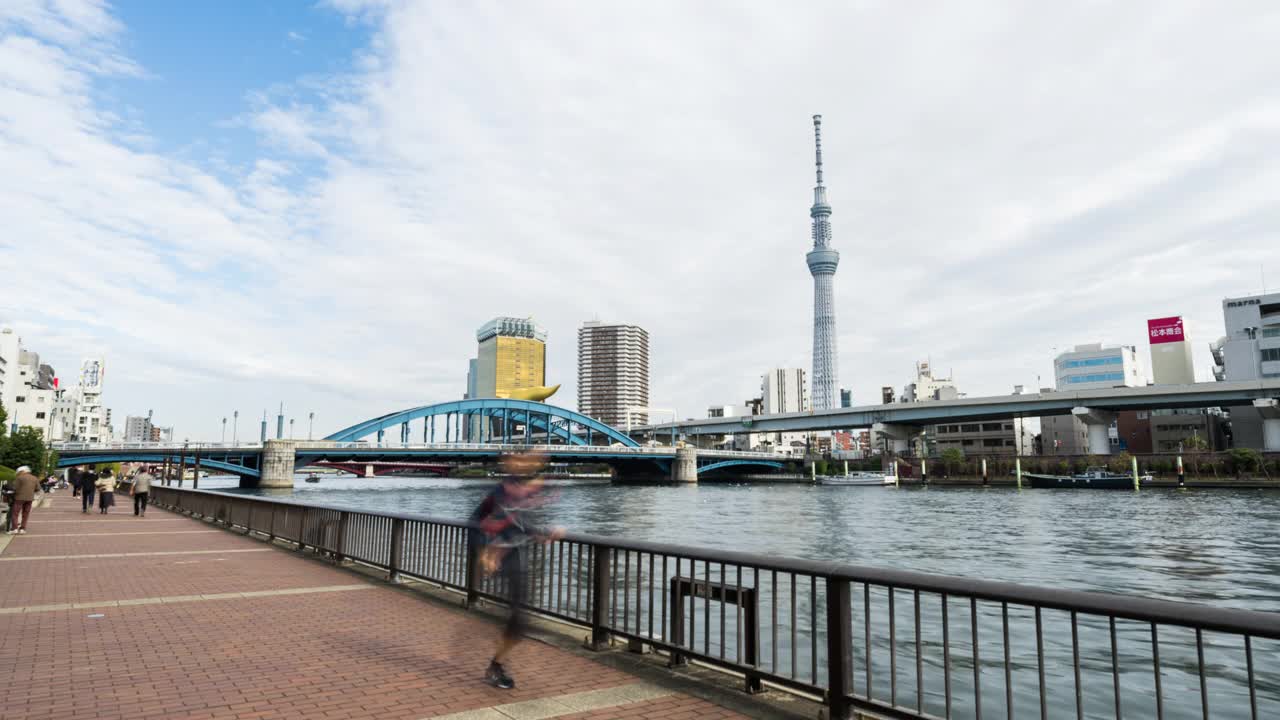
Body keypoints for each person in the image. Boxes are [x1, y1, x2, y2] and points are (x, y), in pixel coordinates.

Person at [469, 450, 563, 690]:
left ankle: (498, 659)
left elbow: (518, 521)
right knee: (519, 617)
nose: (529, 464)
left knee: (520, 620)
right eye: (522, 460)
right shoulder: (502, 491)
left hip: (515, 554)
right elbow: (477, 520)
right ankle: (497, 663)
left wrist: (543, 533)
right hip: (501, 554)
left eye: (534, 461)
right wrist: (483, 554)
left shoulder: (520, 488)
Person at [8, 466, 41, 534]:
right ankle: (22, 529)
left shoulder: (20, 477)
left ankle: (15, 529)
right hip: (30, 498)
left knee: (15, 513)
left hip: (19, 498)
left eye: (19, 472)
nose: (18, 473)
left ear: (22, 471)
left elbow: (14, 487)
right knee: (25, 513)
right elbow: (38, 488)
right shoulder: (34, 478)